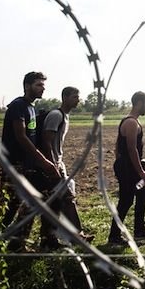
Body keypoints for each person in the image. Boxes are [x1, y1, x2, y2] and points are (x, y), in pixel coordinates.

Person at [0, 71, 62, 252]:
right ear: (27, 86)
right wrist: (44, 161)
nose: (43, 88)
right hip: (14, 166)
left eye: (43, 85)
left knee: (39, 200)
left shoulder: (31, 108)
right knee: (8, 208)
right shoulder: (18, 106)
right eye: (38, 85)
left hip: (28, 166)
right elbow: (21, 136)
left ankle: (23, 243)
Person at [39, 86, 93, 246]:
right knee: (68, 198)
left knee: (53, 202)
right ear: (65, 97)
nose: (78, 100)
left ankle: (48, 239)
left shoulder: (65, 116)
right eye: (75, 97)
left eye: (78, 97)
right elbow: (46, 142)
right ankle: (77, 236)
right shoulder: (56, 115)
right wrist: (54, 166)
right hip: (52, 166)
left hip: (57, 164)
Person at [106, 91, 145, 245]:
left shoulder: (130, 121)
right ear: (139, 103)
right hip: (129, 169)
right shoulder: (131, 123)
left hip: (128, 167)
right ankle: (114, 236)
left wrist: (120, 163)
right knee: (126, 201)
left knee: (142, 194)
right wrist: (141, 172)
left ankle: (139, 231)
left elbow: (117, 146)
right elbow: (131, 149)